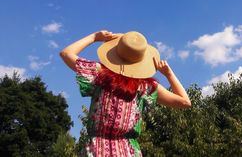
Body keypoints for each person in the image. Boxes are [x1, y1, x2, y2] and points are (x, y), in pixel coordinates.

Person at [60, 30, 191, 157]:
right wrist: (168, 73)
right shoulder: (145, 86)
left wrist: (94, 37)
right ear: (141, 60)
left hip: (96, 150)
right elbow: (185, 102)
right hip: (128, 151)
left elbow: (66, 53)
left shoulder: (100, 73)